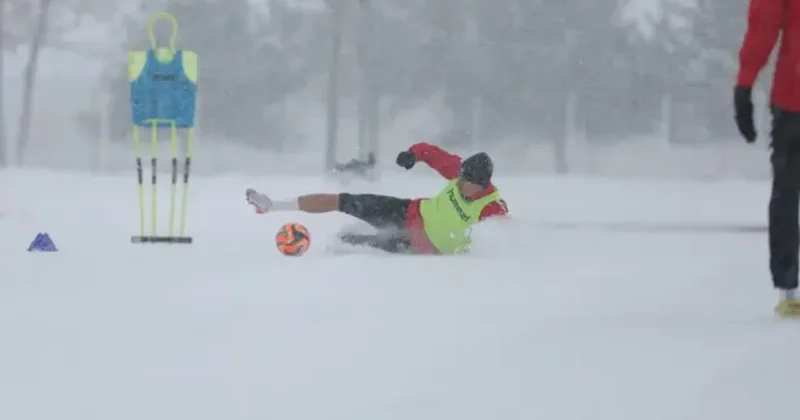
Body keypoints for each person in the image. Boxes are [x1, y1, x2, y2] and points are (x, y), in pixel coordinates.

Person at [245, 143, 509, 255]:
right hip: (405, 211)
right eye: (460, 179)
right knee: (344, 200)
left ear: (482, 186)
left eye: (467, 185)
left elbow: (508, 237)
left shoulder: (491, 208)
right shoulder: (458, 171)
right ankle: (273, 205)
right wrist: (412, 154)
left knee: (347, 243)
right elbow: (431, 152)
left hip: (414, 244)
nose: (460, 185)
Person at [734, 0, 800, 317]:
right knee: (787, 194)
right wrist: (744, 82)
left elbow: (764, 26)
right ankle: (788, 287)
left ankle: (789, 288)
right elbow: (765, 24)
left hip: (793, 103)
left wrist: (745, 83)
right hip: (793, 103)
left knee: (788, 192)